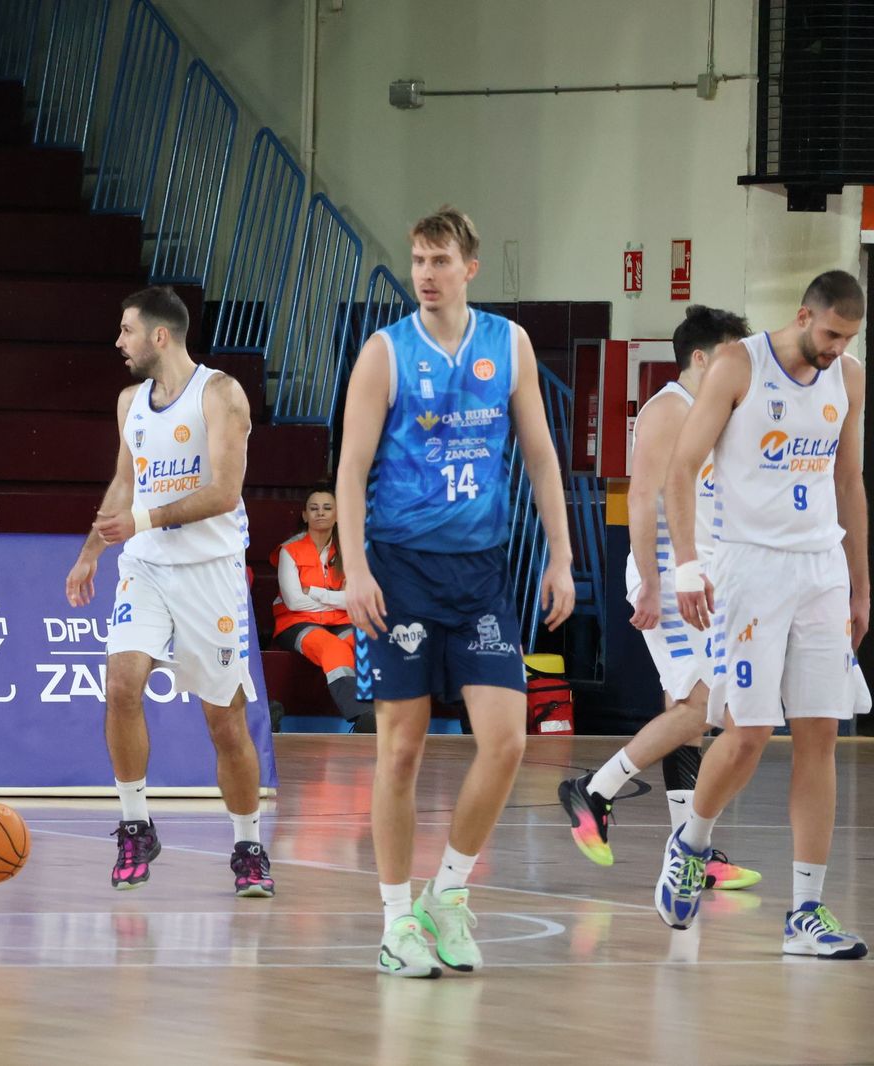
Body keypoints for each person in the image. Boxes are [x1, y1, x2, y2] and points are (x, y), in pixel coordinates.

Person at [335, 206, 575, 978]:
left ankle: (449, 894)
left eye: (440, 260)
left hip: (481, 571)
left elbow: (540, 456)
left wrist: (562, 557)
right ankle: (396, 919)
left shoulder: (509, 345)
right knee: (400, 749)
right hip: (400, 568)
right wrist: (354, 569)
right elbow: (350, 469)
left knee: (507, 741)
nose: (426, 274)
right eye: (417, 260)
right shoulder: (385, 353)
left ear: (471, 268)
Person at [653, 270, 868, 960]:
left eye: (850, 338)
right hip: (748, 567)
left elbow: (847, 482)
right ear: (804, 315)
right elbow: (682, 468)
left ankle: (806, 912)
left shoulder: (850, 378)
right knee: (747, 735)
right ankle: (690, 844)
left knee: (821, 736)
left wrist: (860, 587)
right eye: (831, 334)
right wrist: (688, 566)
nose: (837, 349)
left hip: (820, 570)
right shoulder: (738, 363)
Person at [63, 284, 273, 897]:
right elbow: (124, 485)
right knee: (121, 683)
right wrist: (91, 552)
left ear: (160, 335)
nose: (119, 342)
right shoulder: (129, 401)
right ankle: (135, 823)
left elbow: (226, 492)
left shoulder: (220, 393)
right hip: (146, 567)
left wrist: (144, 521)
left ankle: (247, 844)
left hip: (210, 570)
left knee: (224, 722)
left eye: (127, 330)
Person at [557, 306, 760, 892]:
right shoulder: (668, 409)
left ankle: (689, 850)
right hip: (670, 576)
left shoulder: (708, 412)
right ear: (701, 358)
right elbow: (641, 499)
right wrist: (648, 579)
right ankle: (594, 790)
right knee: (705, 708)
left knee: (686, 719)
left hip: (697, 571)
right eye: (730, 354)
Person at [269, 486, 372, 729]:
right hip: (295, 622)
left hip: (341, 620)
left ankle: (379, 715)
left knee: (367, 643)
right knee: (332, 647)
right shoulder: (289, 550)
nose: (320, 513)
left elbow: (358, 598)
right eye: (314, 508)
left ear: (338, 514)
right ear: (304, 515)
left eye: (327, 508)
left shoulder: (350, 550)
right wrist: (338, 598)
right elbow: (293, 601)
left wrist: (317, 593)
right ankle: (363, 717)